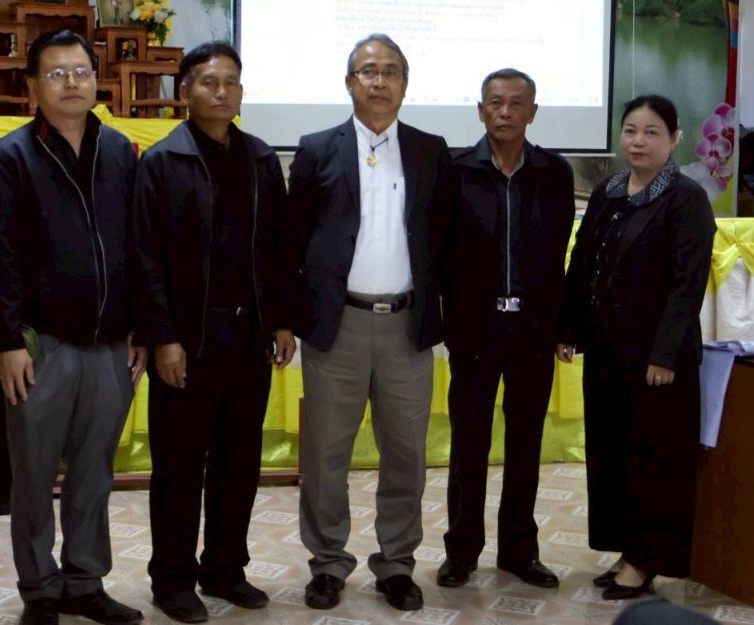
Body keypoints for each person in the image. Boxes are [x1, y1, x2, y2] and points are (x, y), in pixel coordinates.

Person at [0, 30, 146, 625]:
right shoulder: (11, 158)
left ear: (96, 80)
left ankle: (85, 580)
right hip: (40, 346)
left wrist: (142, 327)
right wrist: (7, 340)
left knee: (94, 472)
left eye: (81, 72)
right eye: (56, 73)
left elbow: (140, 247)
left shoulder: (121, 152)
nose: (71, 83)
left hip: (110, 344)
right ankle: (39, 588)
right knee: (33, 473)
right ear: (33, 85)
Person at [133, 41, 295, 624]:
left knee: (239, 461)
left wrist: (282, 319)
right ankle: (172, 579)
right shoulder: (162, 162)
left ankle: (225, 568)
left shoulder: (260, 159)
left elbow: (278, 248)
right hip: (187, 342)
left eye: (231, 82)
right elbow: (145, 258)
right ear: (185, 92)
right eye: (208, 82)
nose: (221, 92)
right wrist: (163, 337)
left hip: (248, 337)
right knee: (178, 466)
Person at [289, 34, 452, 612]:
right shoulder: (316, 149)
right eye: (368, 71)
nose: (379, 81)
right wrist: (288, 319)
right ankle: (328, 562)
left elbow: (446, 241)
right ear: (349, 83)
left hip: (407, 327)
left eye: (390, 71)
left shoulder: (431, 151)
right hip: (339, 326)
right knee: (325, 454)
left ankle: (397, 563)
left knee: (406, 454)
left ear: (405, 83)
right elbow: (293, 241)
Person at [558, 95, 715, 600]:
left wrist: (664, 355)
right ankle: (628, 550)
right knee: (613, 455)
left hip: (656, 360)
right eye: (630, 130)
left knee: (654, 460)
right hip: (608, 351)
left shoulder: (686, 199)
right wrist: (569, 327)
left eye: (651, 132)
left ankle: (647, 559)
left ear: (674, 139)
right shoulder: (608, 190)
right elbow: (583, 262)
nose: (638, 141)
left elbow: (687, 284)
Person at [436, 69, 574, 589]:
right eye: (495, 102)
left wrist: (563, 324)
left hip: (533, 331)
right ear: (480, 110)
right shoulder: (455, 171)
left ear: (532, 112)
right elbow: (438, 251)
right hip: (474, 330)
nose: (505, 112)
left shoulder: (554, 173)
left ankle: (519, 550)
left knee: (525, 443)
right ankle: (462, 551)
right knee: (469, 444)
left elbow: (560, 254)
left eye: (517, 103)